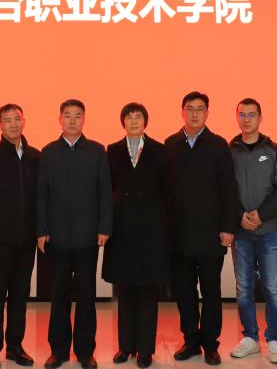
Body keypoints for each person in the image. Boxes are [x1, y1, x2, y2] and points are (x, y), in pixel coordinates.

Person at [163, 91, 238, 366]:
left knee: (211, 292)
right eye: (190, 108)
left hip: (210, 235)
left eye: (200, 109)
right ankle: (191, 341)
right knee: (184, 292)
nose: (195, 114)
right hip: (178, 234)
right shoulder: (170, 145)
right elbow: (164, 190)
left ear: (207, 113)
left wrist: (228, 228)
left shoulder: (218, 145)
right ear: (182, 112)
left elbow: (228, 190)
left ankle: (210, 345)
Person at [36, 99, 112, 369]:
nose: (71, 120)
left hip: (87, 237)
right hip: (56, 239)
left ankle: (85, 351)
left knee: (86, 296)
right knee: (59, 297)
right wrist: (42, 230)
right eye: (67, 115)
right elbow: (41, 195)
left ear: (84, 119)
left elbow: (105, 193)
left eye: (77, 116)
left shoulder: (97, 151)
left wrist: (104, 227)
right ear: (59, 119)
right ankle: (58, 351)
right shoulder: (48, 152)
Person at [101, 103, 170, 369]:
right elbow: (108, 189)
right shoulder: (112, 150)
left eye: (138, 117)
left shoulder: (159, 150)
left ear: (145, 121)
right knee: (125, 290)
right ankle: (125, 346)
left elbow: (167, 189)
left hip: (151, 230)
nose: (133, 121)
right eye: (128, 117)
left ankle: (145, 350)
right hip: (122, 229)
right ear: (123, 122)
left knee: (148, 292)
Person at [0, 104, 40, 369]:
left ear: (24, 121)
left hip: (26, 241)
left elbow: (40, 199)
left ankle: (15, 347)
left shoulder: (36, 157)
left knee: (20, 296)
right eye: (7, 120)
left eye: (17, 119)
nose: (13, 124)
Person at [229, 98, 277, 365]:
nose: (246, 119)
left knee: (273, 287)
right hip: (241, 230)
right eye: (242, 114)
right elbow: (225, 188)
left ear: (260, 118)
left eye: (251, 114)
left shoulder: (273, 150)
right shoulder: (230, 150)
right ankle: (250, 338)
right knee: (243, 288)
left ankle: (274, 339)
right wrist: (239, 216)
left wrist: (262, 215)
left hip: (269, 230)